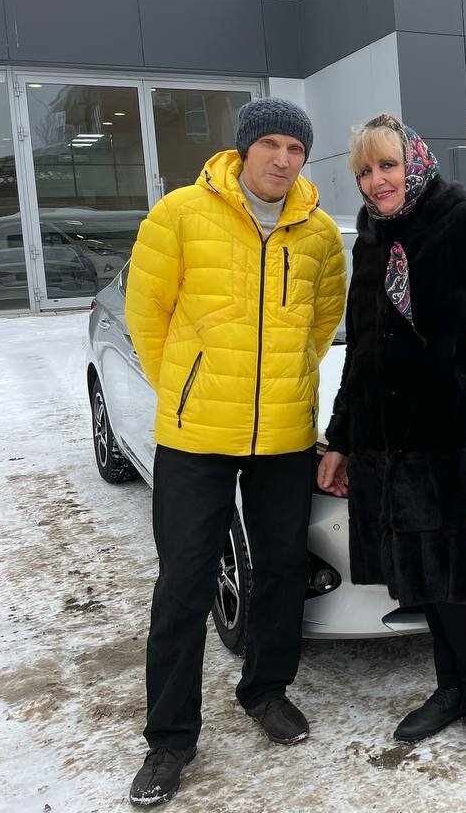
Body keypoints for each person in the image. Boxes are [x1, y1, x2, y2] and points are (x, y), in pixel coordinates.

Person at [123, 97, 346, 807]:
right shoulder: (180, 214)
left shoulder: (318, 233)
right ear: (245, 148)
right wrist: (186, 388)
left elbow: (322, 321)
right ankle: (170, 739)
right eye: (271, 144)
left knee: (281, 569)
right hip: (196, 437)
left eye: (296, 149)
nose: (283, 159)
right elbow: (146, 314)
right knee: (183, 584)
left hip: (283, 433)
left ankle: (266, 690)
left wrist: (287, 381)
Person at [316, 114, 466, 766]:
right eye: (364, 171)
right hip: (384, 441)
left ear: (413, 163)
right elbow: (360, 353)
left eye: (386, 165)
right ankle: (451, 689)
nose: (376, 181)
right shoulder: (371, 241)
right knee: (422, 572)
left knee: (456, 576)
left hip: (447, 435)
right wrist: (341, 439)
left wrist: (463, 385)